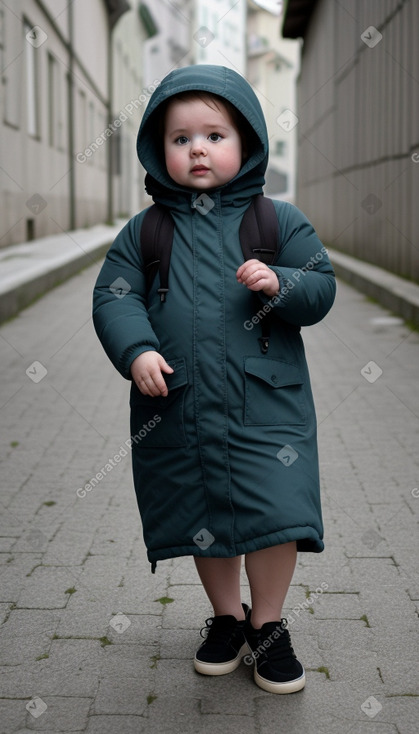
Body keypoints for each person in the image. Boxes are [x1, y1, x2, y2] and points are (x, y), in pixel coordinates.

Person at [92, 64, 336, 694]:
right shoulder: (148, 230)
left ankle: (270, 623)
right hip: (179, 402)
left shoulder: (276, 221)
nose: (197, 148)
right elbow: (114, 297)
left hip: (268, 406)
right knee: (204, 508)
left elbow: (321, 288)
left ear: (247, 143)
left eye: (214, 135)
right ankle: (228, 618)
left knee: (276, 510)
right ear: (158, 149)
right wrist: (137, 348)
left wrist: (281, 282)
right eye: (180, 138)